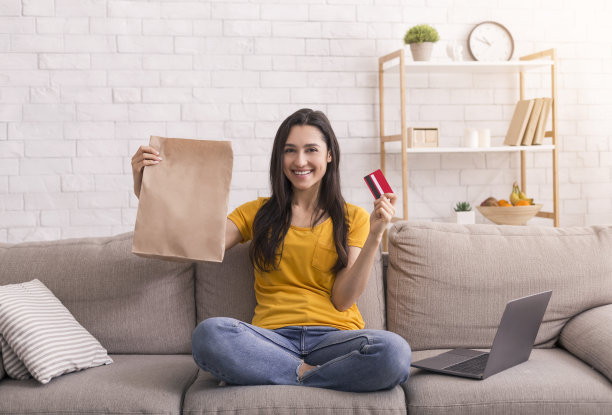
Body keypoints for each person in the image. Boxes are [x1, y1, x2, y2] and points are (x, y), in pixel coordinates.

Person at [131, 108, 412, 392]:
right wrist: (147, 189)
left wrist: (377, 235)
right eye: (290, 151)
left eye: (311, 150)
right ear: (280, 157)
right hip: (271, 340)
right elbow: (195, 239)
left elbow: (342, 300)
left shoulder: (354, 216)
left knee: (395, 352)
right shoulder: (257, 213)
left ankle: (278, 373)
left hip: (335, 339)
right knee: (209, 335)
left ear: (329, 155)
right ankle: (304, 373)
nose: (300, 161)